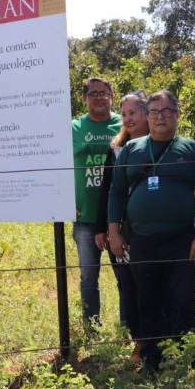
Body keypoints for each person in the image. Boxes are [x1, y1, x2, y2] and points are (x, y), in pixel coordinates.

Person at [108, 90, 195, 372]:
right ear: (147, 116)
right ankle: (152, 362)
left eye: (167, 111)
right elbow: (116, 193)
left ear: (177, 115)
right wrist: (115, 233)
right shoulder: (132, 149)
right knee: (148, 301)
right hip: (141, 240)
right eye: (154, 112)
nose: (160, 118)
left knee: (182, 302)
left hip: (182, 239)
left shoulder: (192, 149)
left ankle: (185, 362)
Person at [94, 92, 148, 360]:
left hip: (155, 229)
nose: (127, 119)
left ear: (147, 114)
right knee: (128, 285)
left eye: (133, 113)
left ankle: (163, 343)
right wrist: (102, 228)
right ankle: (138, 341)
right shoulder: (115, 150)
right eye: (124, 114)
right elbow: (106, 191)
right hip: (122, 230)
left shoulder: (164, 146)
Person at [72, 77, 122, 330]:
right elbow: (59, 168)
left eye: (104, 93)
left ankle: (129, 328)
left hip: (119, 218)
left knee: (125, 275)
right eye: (93, 93)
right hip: (86, 217)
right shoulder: (74, 127)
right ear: (85, 98)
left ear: (112, 96)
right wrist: (66, 200)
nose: (99, 97)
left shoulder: (124, 124)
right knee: (88, 277)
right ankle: (92, 329)